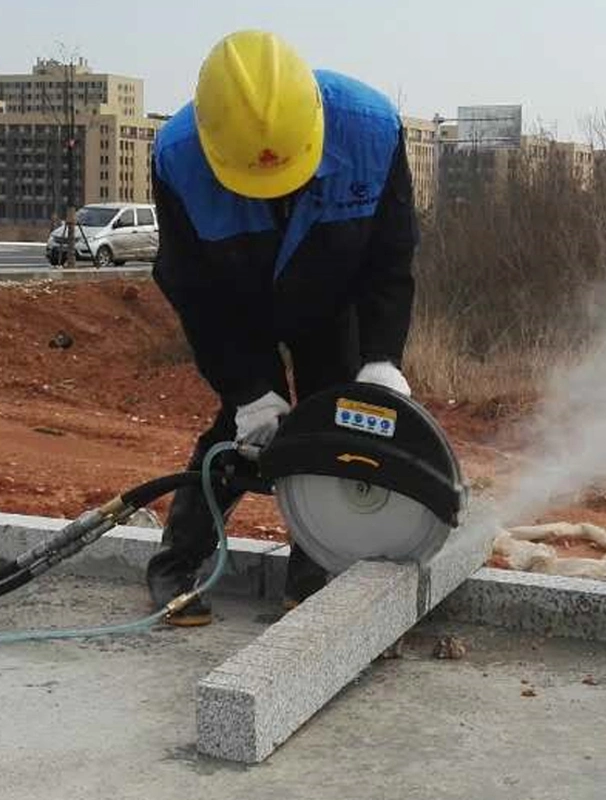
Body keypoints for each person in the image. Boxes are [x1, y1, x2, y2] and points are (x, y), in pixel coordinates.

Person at [146, 29, 418, 625]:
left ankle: (313, 568)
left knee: (335, 419)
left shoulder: (372, 128)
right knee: (243, 435)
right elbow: (191, 289)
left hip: (331, 290)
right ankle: (176, 562)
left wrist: (382, 357)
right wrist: (247, 390)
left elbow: (391, 258)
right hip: (237, 298)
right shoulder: (178, 157)